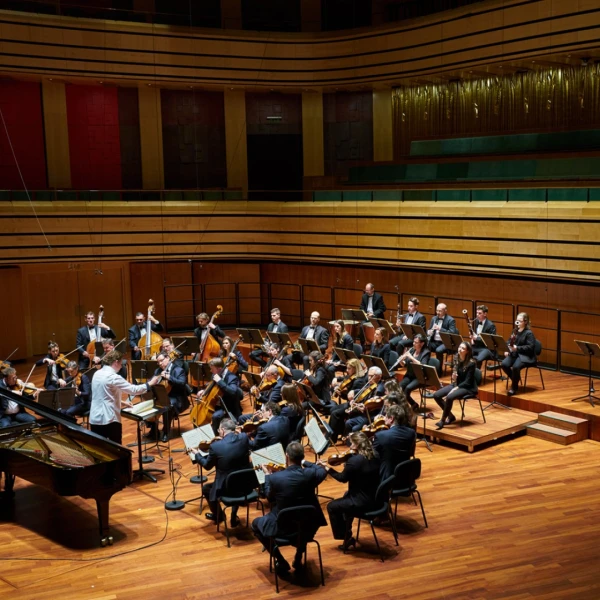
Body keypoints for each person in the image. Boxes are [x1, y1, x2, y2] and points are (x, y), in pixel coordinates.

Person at [252, 441, 327, 573]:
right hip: (308, 526)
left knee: (255, 524)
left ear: (286, 456)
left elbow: (269, 497)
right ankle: (299, 555)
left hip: (283, 527)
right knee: (301, 521)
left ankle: (280, 560)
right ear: (302, 456)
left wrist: (268, 475)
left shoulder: (275, 478)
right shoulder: (310, 474)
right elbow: (321, 470)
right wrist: (305, 462)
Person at [318, 431, 381, 550]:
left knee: (332, 506)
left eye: (352, 444)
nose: (350, 446)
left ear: (357, 445)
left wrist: (327, 468)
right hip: (377, 498)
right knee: (345, 497)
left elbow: (342, 478)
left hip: (363, 502)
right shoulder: (375, 454)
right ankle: (348, 533)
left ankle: (345, 536)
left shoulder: (354, 461)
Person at [89, 350, 159, 444]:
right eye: (121, 363)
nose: (121, 366)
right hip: (109, 419)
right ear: (116, 362)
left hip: (94, 418)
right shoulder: (113, 377)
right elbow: (133, 390)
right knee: (117, 449)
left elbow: (102, 395)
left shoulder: (96, 374)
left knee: (99, 449)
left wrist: (122, 402)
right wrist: (150, 383)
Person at [192, 417, 251, 525]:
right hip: (244, 484)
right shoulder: (244, 438)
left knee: (206, 489)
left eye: (219, 430)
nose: (218, 432)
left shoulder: (215, 447)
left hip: (226, 487)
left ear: (223, 430)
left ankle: (219, 516)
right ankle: (234, 515)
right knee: (237, 478)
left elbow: (207, 466)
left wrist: (197, 454)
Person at [434, 341, 477, 429]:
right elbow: (455, 375)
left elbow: (468, 382)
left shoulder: (471, 363)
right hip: (457, 384)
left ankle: (442, 420)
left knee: (449, 397)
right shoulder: (456, 358)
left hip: (468, 387)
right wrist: (454, 377)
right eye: (459, 347)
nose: (460, 349)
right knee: (436, 395)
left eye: (463, 348)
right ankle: (450, 416)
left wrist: (455, 388)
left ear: (467, 351)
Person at [196, 357, 243, 433]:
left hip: (226, 406)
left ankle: (215, 435)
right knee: (197, 412)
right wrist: (204, 391)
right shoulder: (215, 375)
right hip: (214, 404)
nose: (210, 371)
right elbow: (212, 387)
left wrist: (220, 381)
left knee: (216, 416)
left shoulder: (232, 377)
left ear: (219, 369)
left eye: (212, 369)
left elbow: (232, 392)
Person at [152, 352, 190, 441]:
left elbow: (182, 383)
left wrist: (169, 377)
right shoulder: (158, 371)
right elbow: (151, 381)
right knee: (150, 404)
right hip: (162, 396)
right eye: (158, 362)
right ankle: (153, 430)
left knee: (167, 406)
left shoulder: (178, 370)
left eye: (161, 361)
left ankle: (166, 432)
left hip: (177, 398)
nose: (160, 363)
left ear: (168, 358)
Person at [372, 404, 416, 480]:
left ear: (391, 419)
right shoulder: (411, 433)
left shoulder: (380, 435)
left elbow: (373, 456)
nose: (384, 418)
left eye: (386, 416)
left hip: (388, 478)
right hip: (405, 475)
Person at [501, 312, 536, 396]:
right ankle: (515, 378)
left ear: (525, 322)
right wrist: (507, 349)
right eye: (517, 320)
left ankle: (514, 387)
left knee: (516, 367)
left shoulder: (529, 333)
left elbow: (530, 347)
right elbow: (509, 341)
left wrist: (517, 348)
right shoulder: (515, 331)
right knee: (504, 364)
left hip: (525, 355)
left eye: (520, 321)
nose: (518, 322)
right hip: (515, 354)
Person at [397, 333, 431, 411]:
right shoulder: (412, 350)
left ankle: (412, 405)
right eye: (413, 342)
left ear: (422, 344)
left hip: (419, 377)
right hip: (409, 375)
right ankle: (406, 406)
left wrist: (411, 357)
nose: (413, 344)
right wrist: (401, 361)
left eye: (416, 342)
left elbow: (422, 365)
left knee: (407, 389)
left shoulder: (426, 353)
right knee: (399, 387)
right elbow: (405, 364)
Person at [427, 303, 459, 374]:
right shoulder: (434, 318)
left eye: (440, 311)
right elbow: (429, 329)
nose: (438, 312)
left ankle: (439, 371)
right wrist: (429, 331)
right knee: (425, 346)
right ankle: (427, 368)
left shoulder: (451, 320)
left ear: (445, 311)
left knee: (438, 350)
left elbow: (452, 333)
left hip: (445, 343)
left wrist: (440, 329)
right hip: (434, 341)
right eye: (437, 310)